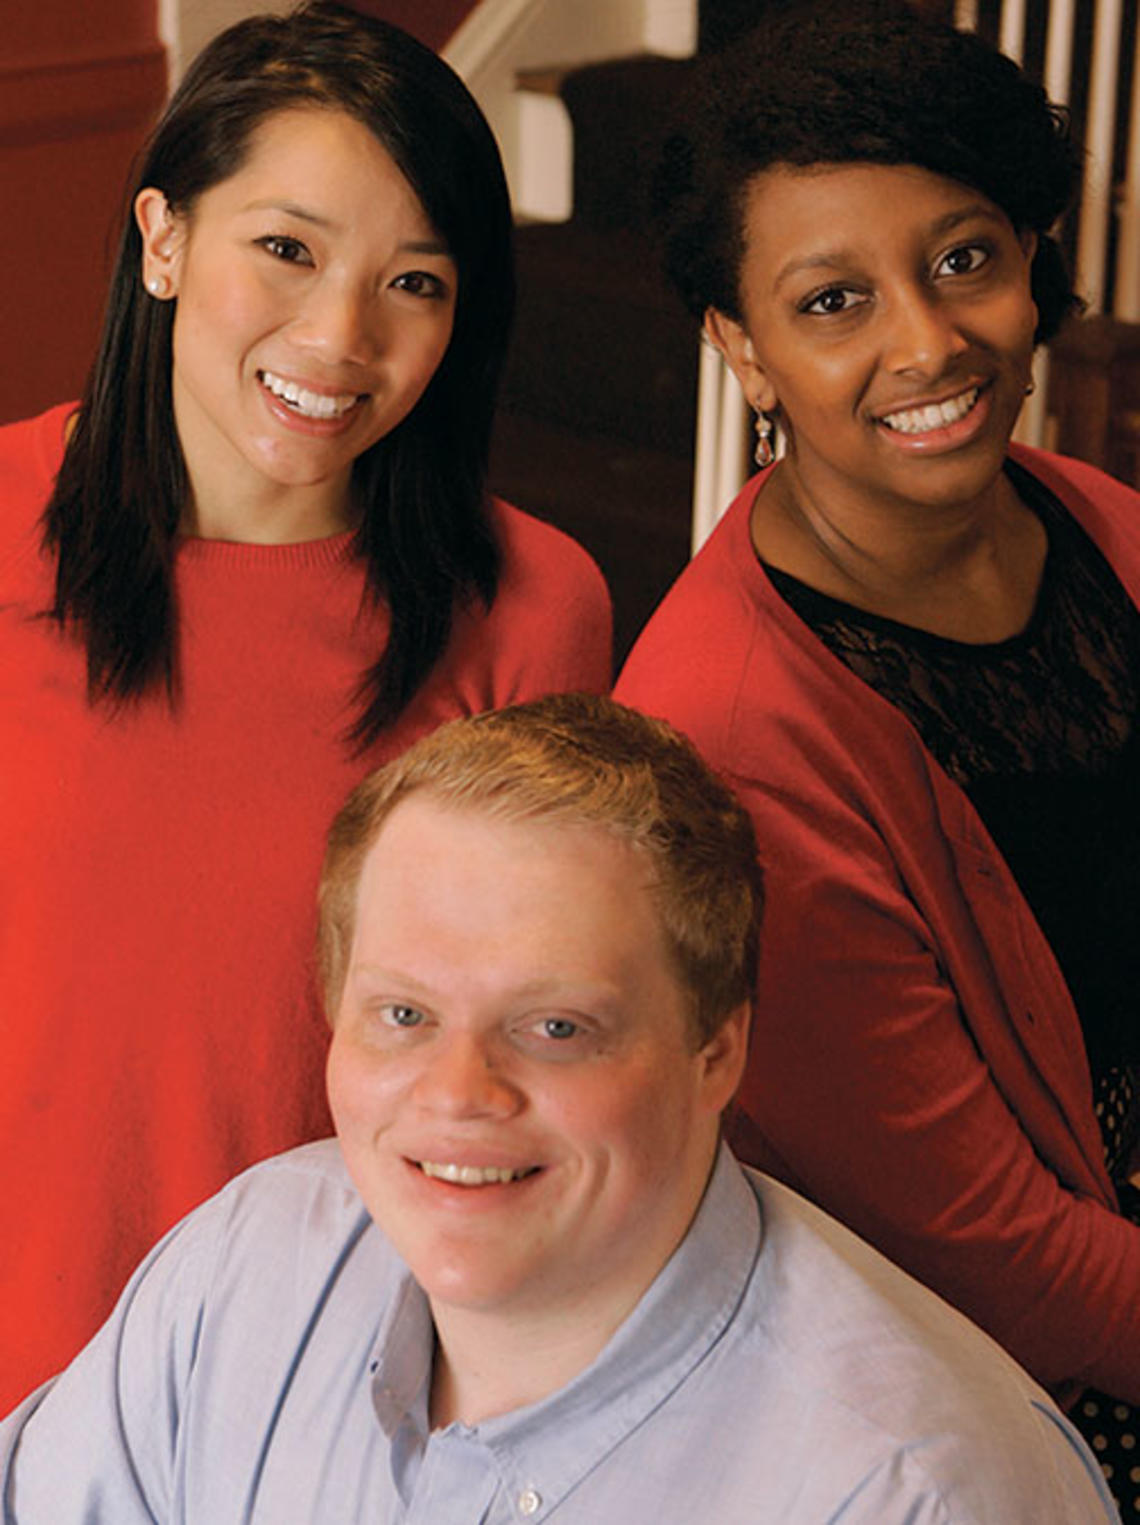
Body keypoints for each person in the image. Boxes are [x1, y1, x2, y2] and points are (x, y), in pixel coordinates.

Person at [0, 694, 1118, 1522]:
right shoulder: (248, 1275)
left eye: (555, 1028)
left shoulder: (913, 1493)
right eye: (402, 1015)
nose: (457, 1093)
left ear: (716, 1049)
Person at [0, 1, 611, 1413]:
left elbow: (527, 1058)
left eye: (417, 282)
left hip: (312, 1398)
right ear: (163, 240)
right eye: (286, 249)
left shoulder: (531, 610)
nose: (340, 336)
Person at [615, 0, 1140, 1502]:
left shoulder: (1096, 521)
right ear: (745, 349)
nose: (931, 341)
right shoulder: (734, 738)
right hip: (1038, 1390)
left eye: (963, 257)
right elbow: (995, 1257)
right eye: (834, 302)